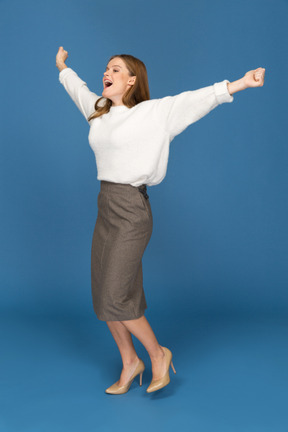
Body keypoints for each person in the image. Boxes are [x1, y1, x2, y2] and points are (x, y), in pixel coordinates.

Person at [56, 46, 265, 394]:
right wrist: (63, 67)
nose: (107, 73)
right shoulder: (99, 111)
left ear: (132, 81)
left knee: (116, 295)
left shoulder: (155, 113)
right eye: (106, 68)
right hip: (105, 205)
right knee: (103, 296)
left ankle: (157, 354)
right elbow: (77, 89)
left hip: (132, 210)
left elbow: (195, 100)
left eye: (116, 70)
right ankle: (129, 363)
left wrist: (240, 84)